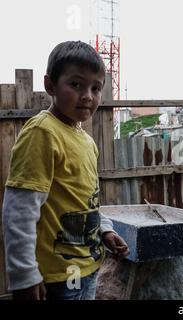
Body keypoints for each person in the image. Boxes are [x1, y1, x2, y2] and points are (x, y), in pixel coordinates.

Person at [2, 41, 130, 300]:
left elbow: (87, 201)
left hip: (89, 265)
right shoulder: (42, 133)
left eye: (96, 88)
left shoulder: (86, 140)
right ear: (50, 85)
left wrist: (105, 230)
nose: (88, 96)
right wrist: (25, 274)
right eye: (76, 85)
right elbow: (19, 210)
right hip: (58, 276)